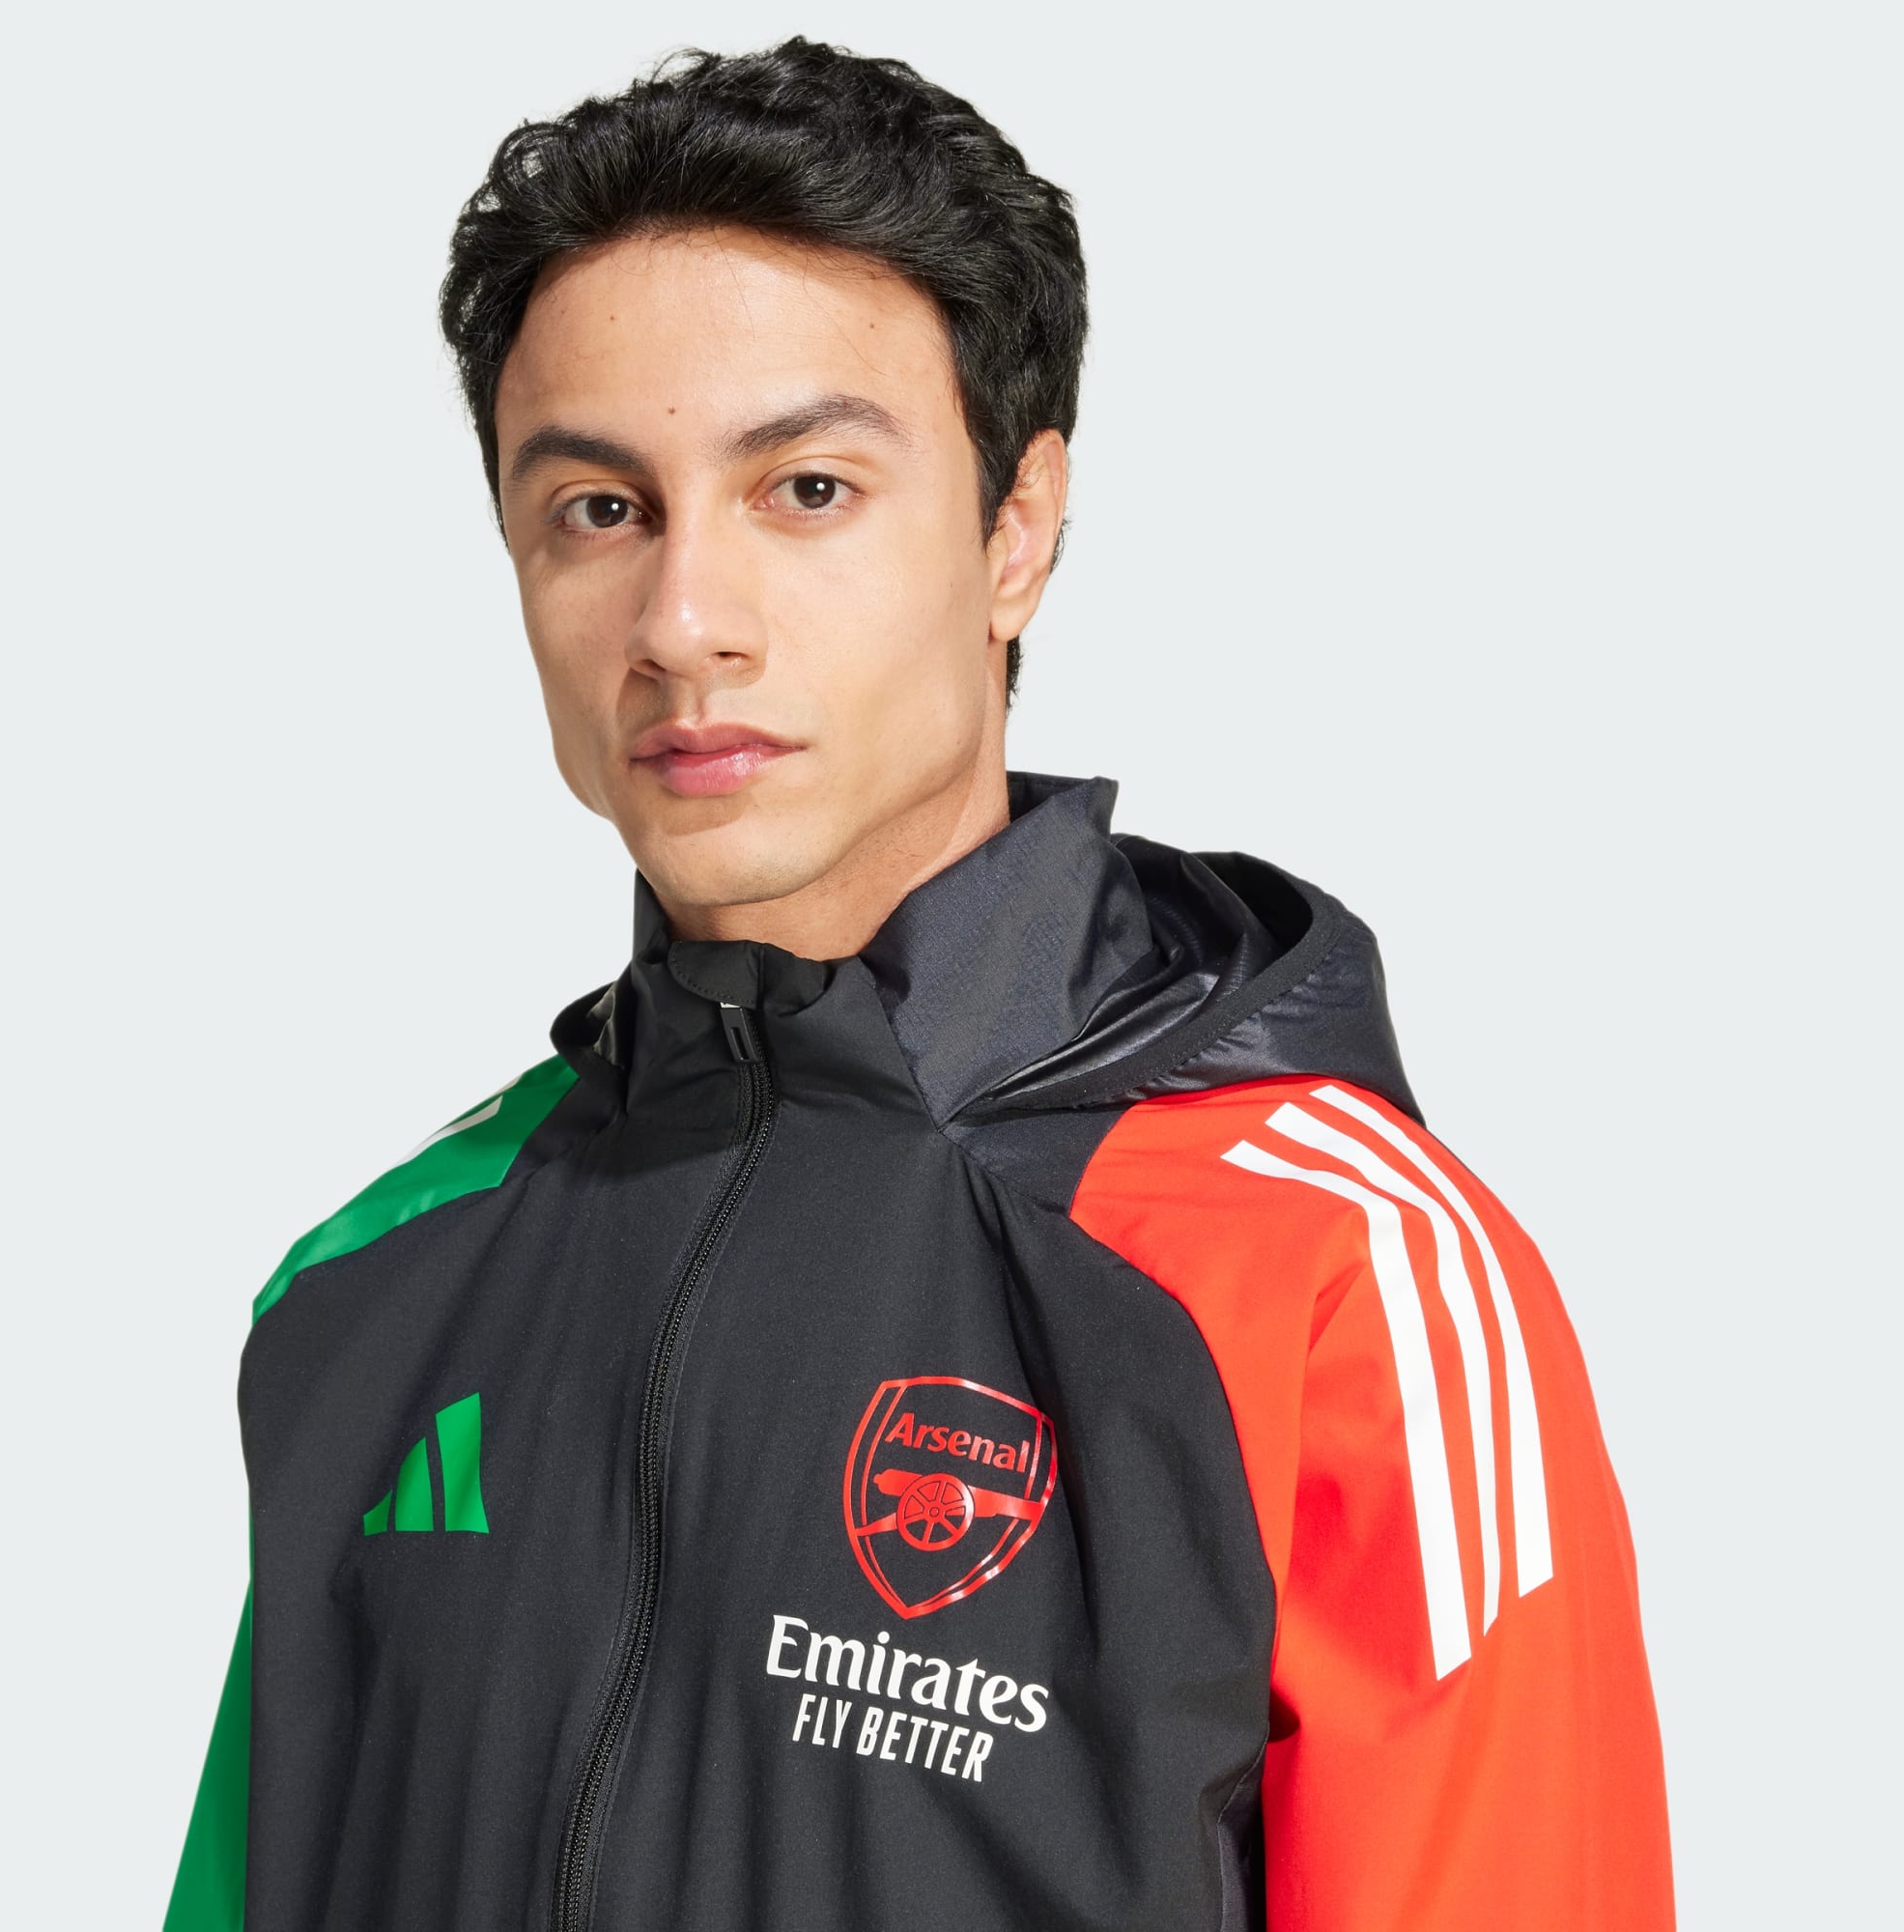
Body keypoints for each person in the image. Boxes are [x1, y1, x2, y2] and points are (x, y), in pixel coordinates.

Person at [163, 37, 1672, 1932]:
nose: (683, 623)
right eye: (600, 510)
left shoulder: (1331, 1283)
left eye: (804, 487)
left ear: (1013, 530)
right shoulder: (376, 1280)